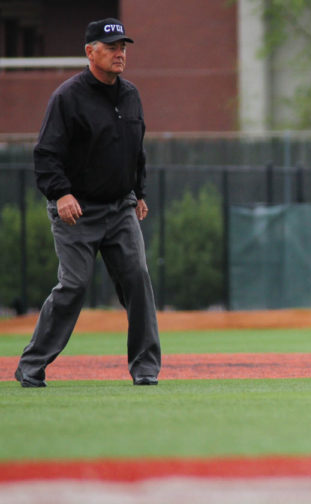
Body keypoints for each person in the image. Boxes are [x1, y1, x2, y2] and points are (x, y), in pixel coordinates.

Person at [14, 18, 161, 387]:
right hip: (77, 210)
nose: (119, 53)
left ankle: (145, 368)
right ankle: (31, 365)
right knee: (74, 285)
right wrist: (60, 193)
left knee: (138, 279)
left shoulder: (130, 94)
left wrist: (138, 192)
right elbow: (47, 154)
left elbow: (135, 149)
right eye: (111, 47)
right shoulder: (68, 96)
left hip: (120, 207)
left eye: (122, 47)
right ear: (89, 52)